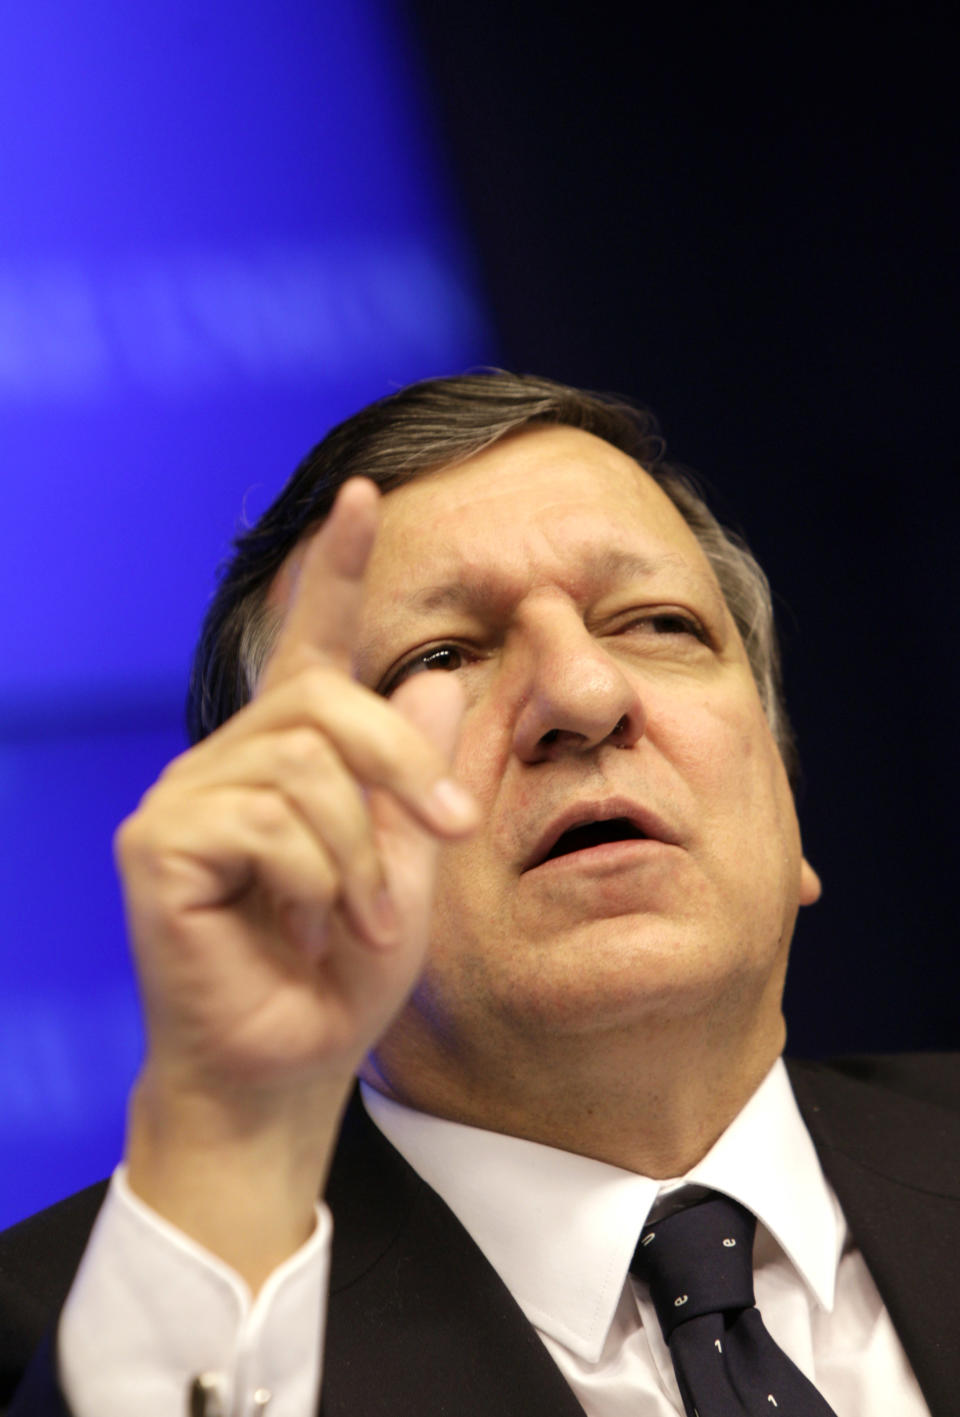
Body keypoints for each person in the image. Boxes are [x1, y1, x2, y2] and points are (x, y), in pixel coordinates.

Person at [1, 372, 957, 1417]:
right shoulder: (77, 1345)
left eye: (657, 624)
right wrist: (231, 1144)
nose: (584, 697)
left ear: (787, 798)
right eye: (439, 657)